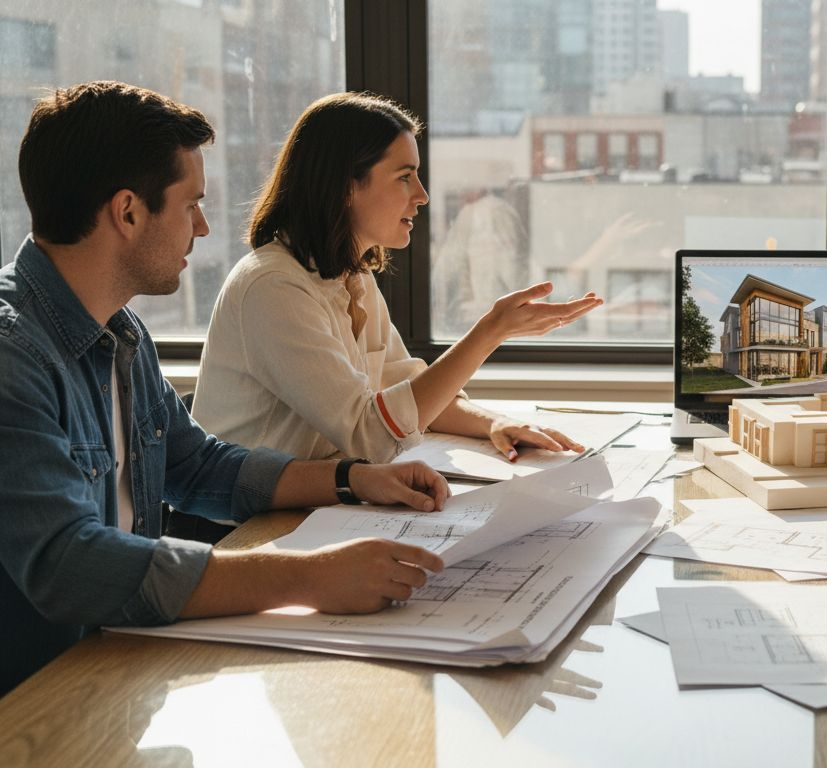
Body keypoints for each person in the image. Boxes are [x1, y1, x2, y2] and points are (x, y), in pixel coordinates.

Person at [0, 81, 455, 695]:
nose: (206, 227)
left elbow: (195, 463)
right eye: (191, 205)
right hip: (39, 696)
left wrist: (351, 478)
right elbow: (68, 565)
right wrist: (306, 577)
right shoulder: (13, 356)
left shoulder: (120, 329)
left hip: (119, 661)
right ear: (128, 212)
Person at [192, 92, 602, 472]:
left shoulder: (352, 277)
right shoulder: (272, 288)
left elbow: (411, 397)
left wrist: (495, 422)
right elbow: (373, 435)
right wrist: (489, 333)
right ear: (345, 186)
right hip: (244, 526)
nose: (422, 195)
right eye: (405, 176)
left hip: (310, 508)